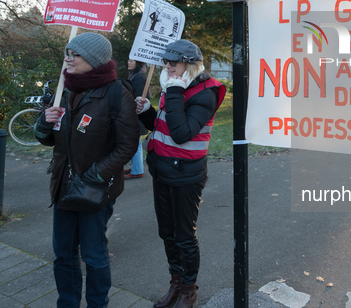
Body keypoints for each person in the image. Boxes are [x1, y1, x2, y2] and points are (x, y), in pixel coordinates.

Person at [34, 32, 140, 308]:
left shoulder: (117, 92)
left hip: (96, 189)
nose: (67, 60)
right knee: (63, 255)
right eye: (67, 54)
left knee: (93, 255)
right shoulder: (64, 90)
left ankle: (97, 304)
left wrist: (94, 176)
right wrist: (45, 123)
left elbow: (126, 146)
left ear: (93, 60)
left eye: (74, 55)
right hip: (63, 187)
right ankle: (67, 303)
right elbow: (47, 139)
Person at [136, 39, 225, 308]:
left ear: (190, 64)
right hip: (162, 170)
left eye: (173, 62)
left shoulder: (204, 93)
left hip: (187, 175)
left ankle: (189, 289)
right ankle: (175, 283)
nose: (168, 66)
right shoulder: (173, 86)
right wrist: (147, 112)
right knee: (167, 232)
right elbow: (162, 125)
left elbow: (182, 133)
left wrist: (173, 91)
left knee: (185, 235)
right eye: (166, 61)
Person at [126, 59, 151, 179]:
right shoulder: (136, 75)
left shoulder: (139, 77)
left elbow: (141, 97)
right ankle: (136, 167)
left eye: (131, 61)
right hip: (134, 113)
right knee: (135, 142)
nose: (128, 62)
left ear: (139, 62)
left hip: (137, 114)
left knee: (135, 142)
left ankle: (137, 170)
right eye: (128, 60)